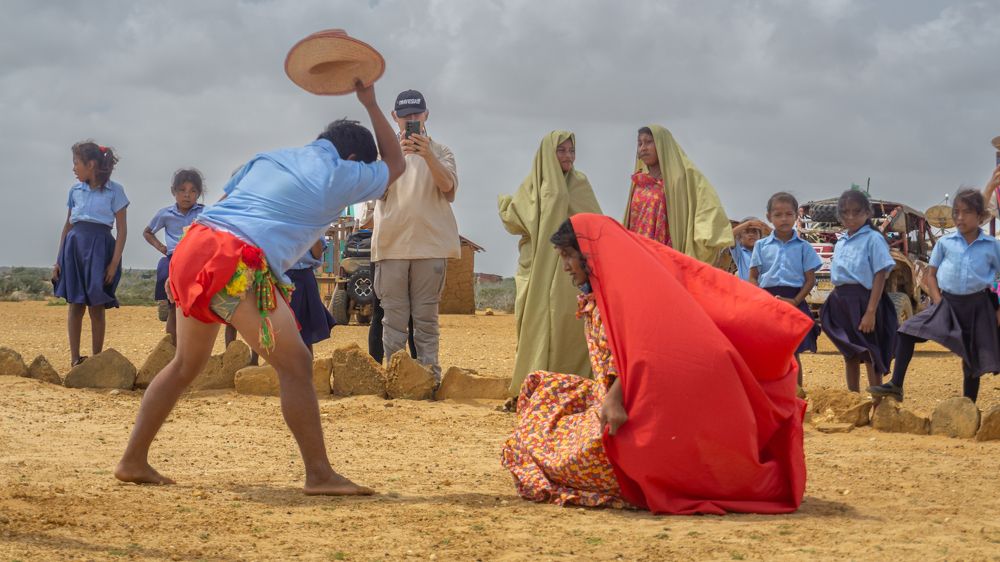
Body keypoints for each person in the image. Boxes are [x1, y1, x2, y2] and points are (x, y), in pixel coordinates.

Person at [114, 81, 405, 495]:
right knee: (296, 365)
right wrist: (371, 102)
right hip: (232, 262)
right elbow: (397, 165)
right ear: (355, 158)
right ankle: (319, 474)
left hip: (192, 249)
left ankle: (132, 459)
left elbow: (235, 193)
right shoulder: (342, 172)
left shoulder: (271, 157)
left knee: (185, 365)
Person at [501, 214, 812, 514]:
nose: (566, 266)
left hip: (639, 405)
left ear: (589, 254)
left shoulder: (626, 296)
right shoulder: (601, 295)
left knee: (561, 457)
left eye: (569, 255)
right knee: (542, 389)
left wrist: (615, 397)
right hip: (617, 396)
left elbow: (647, 351)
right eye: (562, 256)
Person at [869, 190, 1000, 403]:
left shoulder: (992, 246)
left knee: (970, 359)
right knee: (907, 331)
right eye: (956, 212)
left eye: (966, 212)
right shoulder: (945, 243)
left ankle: (968, 406)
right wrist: (938, 302)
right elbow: (931, 274)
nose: (959, 217)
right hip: (947, 302)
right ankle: (896, 385)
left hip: (978, 306)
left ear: (979, 216)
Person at [499, 131, 603, 397]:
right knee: (532, 322)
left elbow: (594, 222)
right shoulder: (533, 185)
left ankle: (569, 386)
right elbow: (515, 220)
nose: (567, 156)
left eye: (571, 151)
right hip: (535, 270)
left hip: (568, 274)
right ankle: (534, 384)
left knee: (567, 325)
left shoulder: (580, 183)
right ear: (548, 153)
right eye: (561, 150)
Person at [371, 89, 459, 381]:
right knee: (393, 320)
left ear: (426, 115)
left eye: (416, 114)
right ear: (394, 117)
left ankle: (429, 377)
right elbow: (376, 193)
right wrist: (394, 159)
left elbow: (449, 191)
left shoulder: (442, 151)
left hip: (430, 246)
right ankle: (395, 378)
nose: (411, 120)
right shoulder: (382, 154)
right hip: (391, 245)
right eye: (405, 115)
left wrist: (427, 155)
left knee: (426, 320)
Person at [52, 141, 128, 368]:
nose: (74, 168)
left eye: (76, 163)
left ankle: (96, 360)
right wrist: (58, 260)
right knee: (75, 305)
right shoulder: (75, 191)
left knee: (96, 306)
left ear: (91, 164)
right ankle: (75, 359)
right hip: (74, 249)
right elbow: (67, 226)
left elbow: (122, 230)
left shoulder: (116, 191)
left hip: (101, 249)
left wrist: (113, 263)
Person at [819, 190, 898, 393]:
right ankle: (853, 401)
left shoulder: (873, 238)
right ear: (839, 215)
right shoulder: (842, 241)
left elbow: (880, 274)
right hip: (841, 300)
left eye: (856, 212)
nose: (851, 217)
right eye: (845, 213)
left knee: (871, 352)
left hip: (864, 300)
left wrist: (871, 311)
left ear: (867, 212)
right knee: (850, 353)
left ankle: (877, 403)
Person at [623, 125, 732, 263]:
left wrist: (704, 235)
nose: (643, 148)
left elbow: (708, 206)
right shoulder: (639, 182)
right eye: (640, 143)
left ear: (663, 145)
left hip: (667, 256)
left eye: (649, 142)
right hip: (638, 254)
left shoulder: (681, 179)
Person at [749, 193, 822, 387]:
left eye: (789, 214)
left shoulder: (804, 247)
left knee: (793, 352)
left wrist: (796, 301)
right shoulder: (760, 246)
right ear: (768, 217)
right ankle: (770, 393)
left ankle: (796, 394)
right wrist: (760, 298)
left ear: (796, 216)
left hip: (794, 301)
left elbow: (810, 280)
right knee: (768, 350)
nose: (784, 219)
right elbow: (753, 276)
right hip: (767, 302)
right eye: (778, 215)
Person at [144, 169, 205, 345]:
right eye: (182, 190)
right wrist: (161, 247)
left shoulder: (202, 213)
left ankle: (192, 347)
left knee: (193, 305)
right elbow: (147, 232)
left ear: (198, 194)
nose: (187, 195)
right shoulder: (166, 214)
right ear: (174, 192)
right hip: (174, 257)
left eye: (193, 191)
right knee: (165, 273)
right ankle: (164, 301)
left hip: (195, 260)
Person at [358, 200, 418, 363]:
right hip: (385, 253)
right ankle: (375, 370)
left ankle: (418, 373)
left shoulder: (419, 183)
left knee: (415, 315)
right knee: (380, 311)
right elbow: (365, 222)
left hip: (415, 252)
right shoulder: (378, 182)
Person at [286, 239, 337, 353]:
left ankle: (307, 368)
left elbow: (317, 253)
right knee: (277, 326)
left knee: (305, 331)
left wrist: (313, 231)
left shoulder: (311, 222)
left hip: (303, 275)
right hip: (282, 274)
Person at [730, 217, 769, 281]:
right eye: (747, 232)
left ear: (760, 237)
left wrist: (766, 227)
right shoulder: (740, 253)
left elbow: (781, 240)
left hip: (763, 289)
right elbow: (730, 235)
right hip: (747, 288)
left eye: (754, 231)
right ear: (740, 239)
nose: (751, 234)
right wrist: (748, 224)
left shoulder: (765, 252)